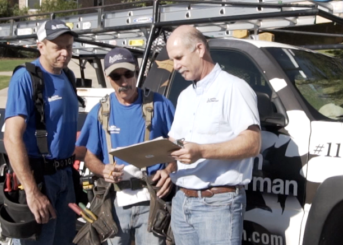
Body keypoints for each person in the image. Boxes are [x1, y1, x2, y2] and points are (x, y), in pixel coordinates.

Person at [166, 25, 262, 245]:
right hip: (182, 201)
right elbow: (176, 142)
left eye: (179, 58)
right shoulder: (185, 96)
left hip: (218, 203)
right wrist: (166, 165)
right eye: (172, 60)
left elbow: (252, 143)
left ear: (199, 49)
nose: (175, 66)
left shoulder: (234, 88)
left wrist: (201, 151)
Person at [76, 47, 176, 245]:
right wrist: (104, 169)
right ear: (108, 77)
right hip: (114, 204)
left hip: (153, 203)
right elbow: (87, 154)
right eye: (116, 76)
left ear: (137, 72)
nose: (123, 81)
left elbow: (179, 146)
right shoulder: (100, 111)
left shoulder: (160, 104)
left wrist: (171, 171)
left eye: (128, 74)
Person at [3, 19, 80, 245]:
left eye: (69, 46)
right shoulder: (26, 78)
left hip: (66, 175)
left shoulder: (68, 77)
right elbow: (11, 136)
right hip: (41, 179)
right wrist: (31, 191)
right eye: (58, 47)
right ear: (41, 46)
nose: (65, 53)